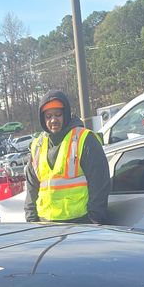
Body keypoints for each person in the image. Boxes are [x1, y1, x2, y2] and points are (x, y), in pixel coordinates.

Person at [24, 90, 109, 225]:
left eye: (58, 114)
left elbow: (99, 181)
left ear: (66, 114)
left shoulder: (84, 139)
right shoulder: (37, 145)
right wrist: (31, 219)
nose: (53, 120)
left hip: (80, 224)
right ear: (42, 119)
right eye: (48, 116)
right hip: (45, 224)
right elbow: (31, 187)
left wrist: (94, 219)